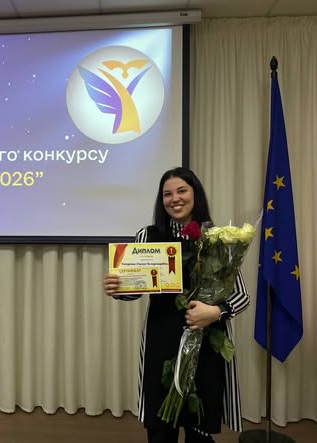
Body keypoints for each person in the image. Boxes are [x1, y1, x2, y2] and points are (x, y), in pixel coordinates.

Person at [103, 167, 249, 443]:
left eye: (182, 191)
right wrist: (118, 289)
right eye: (167, 194)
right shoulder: (147, 236)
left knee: (200, 431)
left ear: (195, 194)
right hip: (161, 340)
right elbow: (136, 290)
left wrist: (214, 312)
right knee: (160, 430)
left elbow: (241, 296)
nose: (175, 199)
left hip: (206, 343)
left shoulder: (218, 238)